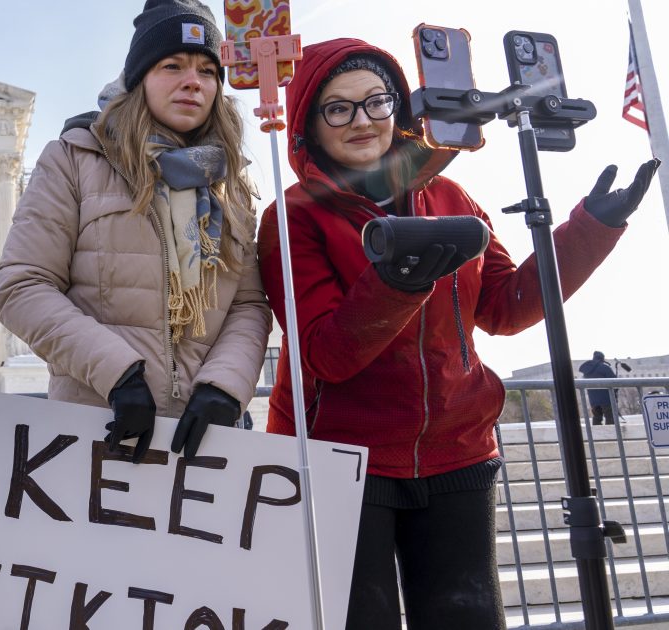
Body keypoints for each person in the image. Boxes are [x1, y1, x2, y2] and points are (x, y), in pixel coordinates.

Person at [257, 38, 660, 629]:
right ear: (308, 128)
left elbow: (505, 307)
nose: (362, 120)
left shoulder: (447, 195)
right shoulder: (293, 217)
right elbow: (327, 355)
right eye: (337, 108)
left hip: (458, 452)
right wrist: (398, 281)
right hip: (341, 458)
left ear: (399, 106)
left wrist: (590, 230)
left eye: (376, 101)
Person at [0, 0, 271, 463]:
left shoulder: (230, 183)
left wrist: (225, 386)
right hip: (98, 426)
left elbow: (247, 305)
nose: (193, 81)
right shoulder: (75, 159)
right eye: (172, 65)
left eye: (207, 70)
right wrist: (119, 374)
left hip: (205, 442)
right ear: (139, 77)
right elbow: (22, 286)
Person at [580, 350, 618, 425]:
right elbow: (614, 382)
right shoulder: (604, 367)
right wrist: (615, 392)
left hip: (593, 400)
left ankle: (596, 435)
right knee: (610, 417)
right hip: (606, 398)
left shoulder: (587, 370)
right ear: (602, 358)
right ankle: (611, 434)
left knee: (597, 417)